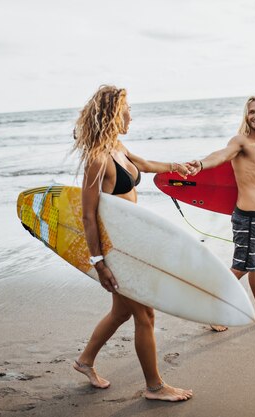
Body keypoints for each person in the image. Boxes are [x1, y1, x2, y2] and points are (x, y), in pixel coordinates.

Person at [72, 85, 193, 401]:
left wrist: (175, 166)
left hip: (133, 245)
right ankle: (155, 387)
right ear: (114, 113)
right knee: (145, 316)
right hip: (118, 252)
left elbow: (144, 163)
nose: (131, 116)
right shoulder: (97, 160)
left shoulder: (117, 147)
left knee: (121, 313)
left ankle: (85, 361)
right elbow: (87, 216)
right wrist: (99, 264)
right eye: (127, 110)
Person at [186, 96, 255, 332]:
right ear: (246, 115)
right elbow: (221, 155)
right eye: (251, 112)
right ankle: (213, 309)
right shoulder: (240, 142)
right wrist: (201, 164)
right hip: (248, 218)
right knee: (241, 266)